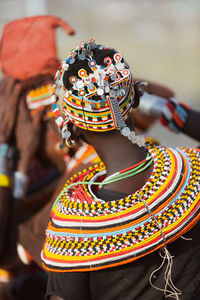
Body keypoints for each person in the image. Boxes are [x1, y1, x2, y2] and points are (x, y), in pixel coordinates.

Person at [41, 39, 200, 300]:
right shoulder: (191, 173)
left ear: (71, 128)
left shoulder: (74, 225)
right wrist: (159, 106)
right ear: (135, 98)